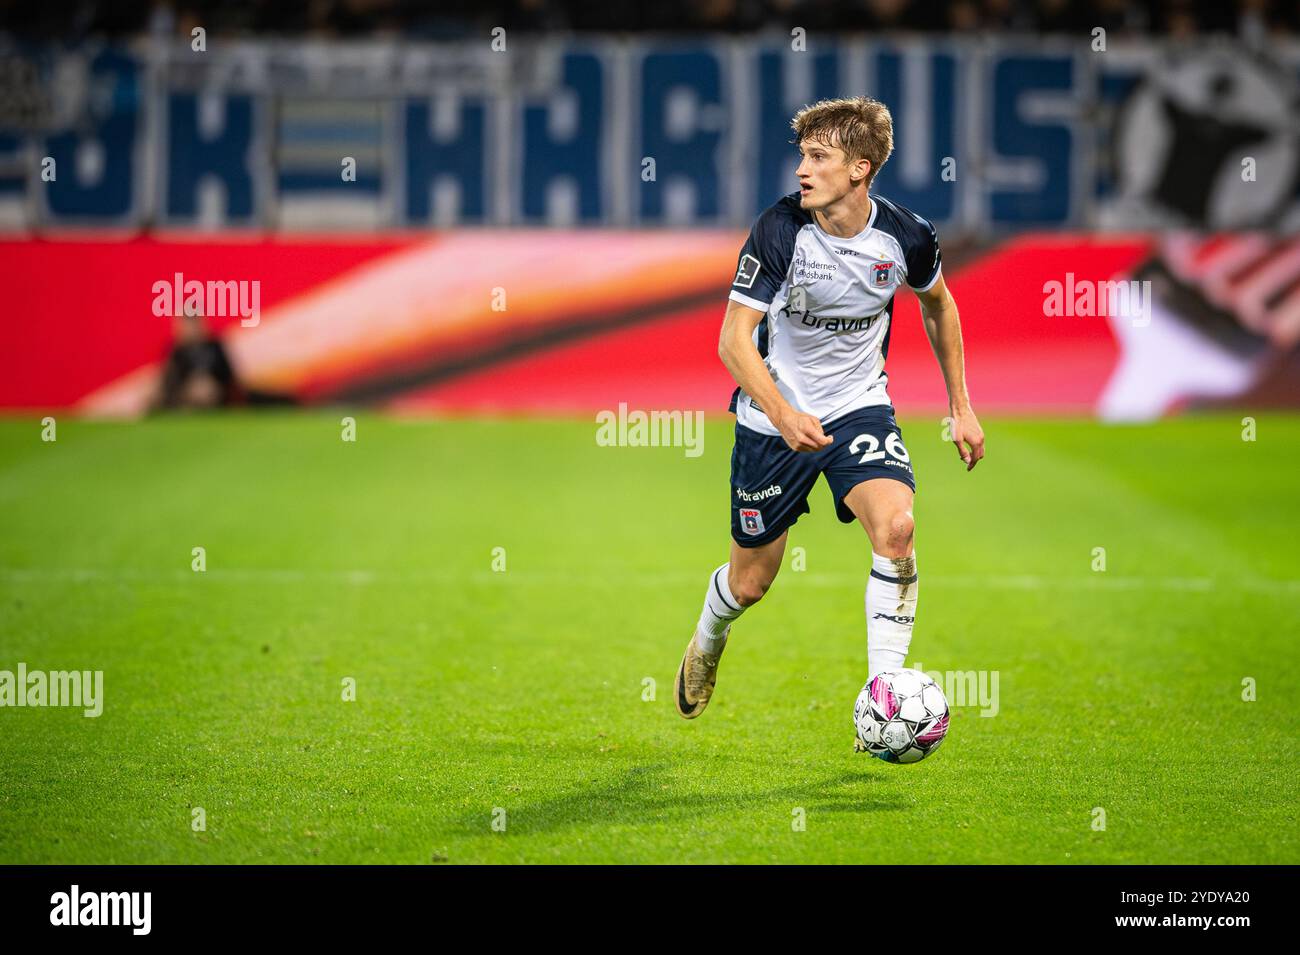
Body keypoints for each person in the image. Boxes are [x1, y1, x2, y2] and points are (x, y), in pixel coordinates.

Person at [673, 96, 985, 745]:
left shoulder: (906, 237)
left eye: (819, 157)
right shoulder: (781, 230)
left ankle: (883, 696)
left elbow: (940, 306)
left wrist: (960, 405)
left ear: (860, 169)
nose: (803, 170)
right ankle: (708, 637)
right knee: (752, 581)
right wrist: (783, 413)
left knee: (897, 527)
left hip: (857, 405)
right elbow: (735, 340)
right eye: (803, 155)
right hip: (771, 418)